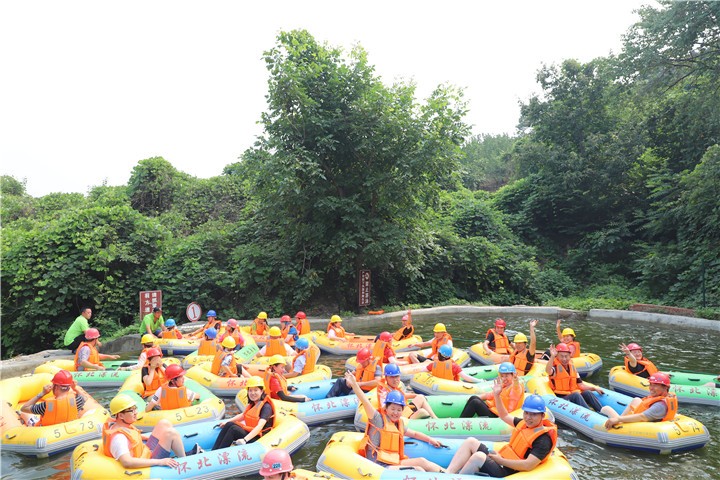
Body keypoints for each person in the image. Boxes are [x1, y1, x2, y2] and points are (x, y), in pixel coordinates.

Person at [445, 385, 557, 476]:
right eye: (526, 413)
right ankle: (448, 474)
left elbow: (527, 465)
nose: (528, 417)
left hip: (510, 471)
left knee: (478, 456)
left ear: (542, 416)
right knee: (471, 441)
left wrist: (500, 460)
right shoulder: (524, 424)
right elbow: (504, 416)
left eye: (533, 414)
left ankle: (458, 477)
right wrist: (497, 395)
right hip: (503, 460)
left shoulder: (543, 440)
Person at [346, 371, 445, 472]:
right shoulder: (377, 419)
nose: (395, 413)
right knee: (418, 469)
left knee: (422, 461)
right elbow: (364, 400)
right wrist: (354, 384)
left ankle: (448, 475)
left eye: (399, 410)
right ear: (386, 408)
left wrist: (430, 440)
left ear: (402, 410)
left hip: (393, 461)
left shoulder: (399, 423)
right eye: (392, 409)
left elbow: (414, 434)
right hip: (378, 464)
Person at [103, 394, 185, 468]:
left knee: (164, 423)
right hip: (147, 461)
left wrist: (143, 437)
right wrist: (160, 462)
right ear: (121, 415)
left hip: (145, 452)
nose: (136, 412)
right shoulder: (119, 438)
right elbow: (126, 462)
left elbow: (130, 438)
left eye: (135, 408)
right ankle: (185, 460)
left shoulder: (118, 425)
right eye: (131, 410)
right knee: (171, 433)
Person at [212, 376, 275, 449]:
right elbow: (243, 415)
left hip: (259, 437)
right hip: (251, 431)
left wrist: (245, 440)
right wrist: (226, 422)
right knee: (229, 424)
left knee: (233, 429)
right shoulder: (253, 403)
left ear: (261, 391)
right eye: (250, 390)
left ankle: (220, 451)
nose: (252, 393)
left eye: (256, 390)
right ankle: (214, 450)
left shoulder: (266, 407)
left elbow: (259, 426)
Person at [602, 372, 678, 428]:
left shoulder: (660, 405)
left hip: (638, 425)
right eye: (650, 385)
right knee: (636, 400)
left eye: (655, 385)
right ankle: (619, 419)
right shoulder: (667, 397)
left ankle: (617, 422)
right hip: (647, 420)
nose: (651, 388)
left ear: (665, 387)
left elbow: (642, 417)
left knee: (606, 409)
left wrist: (618, 419)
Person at [545, 343, 603, 411]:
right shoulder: (555, 368)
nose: (564, 359)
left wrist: (594, 388)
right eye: (561, 356)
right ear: (557, 356)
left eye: (566, 356)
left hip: (572, 394)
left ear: (569, 356)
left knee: (587, 393)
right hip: (561, 398)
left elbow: (581, 385)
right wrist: (552, 356)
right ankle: (590, 413)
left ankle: (602, 411)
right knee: (576, 395)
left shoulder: (572, 368)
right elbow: (548, 370)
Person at [20, 370, 88, 426]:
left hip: (47, 433)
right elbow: (85, 397)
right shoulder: (77, 401)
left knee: (24, 414)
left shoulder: (46, 406)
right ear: (69, 386)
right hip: (69, 430)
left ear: (56, 386)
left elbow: (24, 408)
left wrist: (42, 393)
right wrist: (75, 388)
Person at [458, 362, 524, 418]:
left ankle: (460, 422)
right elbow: (489, 395)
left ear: (513, 375)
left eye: (507, 376)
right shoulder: (503, 386)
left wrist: (516, 381)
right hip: (494, 411)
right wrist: (476, 397)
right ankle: (460, 420)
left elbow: (516, 387)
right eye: (502, 376)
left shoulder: (516, 388)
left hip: (501, 417)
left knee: (475, 402)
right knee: (474, 398)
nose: (504, 379)